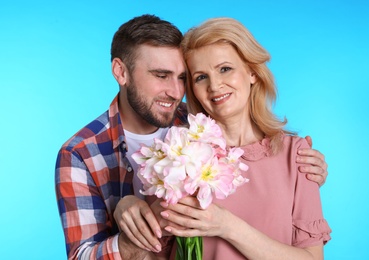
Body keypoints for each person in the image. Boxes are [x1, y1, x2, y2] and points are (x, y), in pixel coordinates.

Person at [55, 14, 329, 259]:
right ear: (121, 71)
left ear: (253, 72)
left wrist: (297, 174)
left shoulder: (198, 127)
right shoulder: (84, 153)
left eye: (182, 78)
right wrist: (129, 209)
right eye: (162, 75)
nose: (175, 92)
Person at [158, 17, 332, 259]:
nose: (215, 85)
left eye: (225, 69)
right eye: (201, 77)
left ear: (251, 72)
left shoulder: (298, 156)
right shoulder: (180, 154)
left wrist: (227, 226)